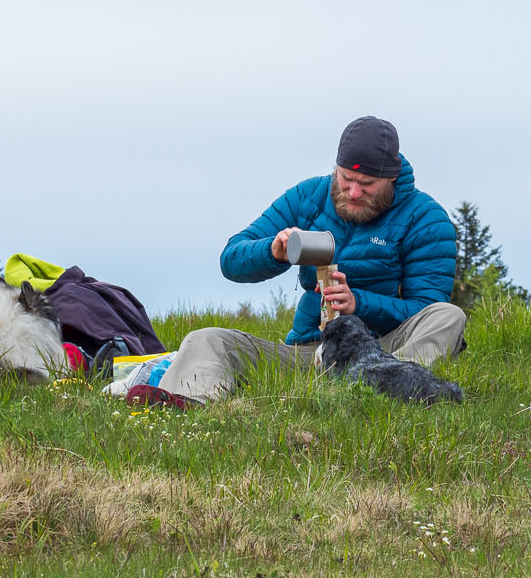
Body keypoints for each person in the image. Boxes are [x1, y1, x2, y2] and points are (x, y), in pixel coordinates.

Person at [132, 116, 464, 406]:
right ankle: (193, 404)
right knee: (206, 338)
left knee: (448, 317)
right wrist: (272, 252)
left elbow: (426, 307)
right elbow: (231, 259)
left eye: (367, 185)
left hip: (384, 351)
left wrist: (357, 304)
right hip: (309, 354)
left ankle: (396, 394)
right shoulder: (309, 196)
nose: (353, 192)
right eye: (346, 178)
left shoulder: (426, 218)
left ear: (392, 179)